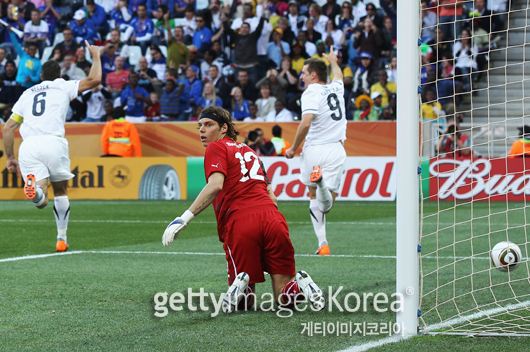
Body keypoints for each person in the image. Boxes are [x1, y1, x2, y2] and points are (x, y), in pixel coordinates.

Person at [161, 106, 325, 314]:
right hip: (273, 218)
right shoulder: (250, 151)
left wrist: (184, 218)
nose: (202, 130)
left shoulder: (215, 148)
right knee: (285, 298)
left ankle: (239, 289)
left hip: (241, 221)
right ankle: (300, 287)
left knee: (244, 304)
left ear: (223, 128)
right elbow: (271, 195)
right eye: (199, 126)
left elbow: (215, 185)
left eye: (208, 125)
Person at [3, 40, 102, 252]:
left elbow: (7, 129)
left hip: (28, 146)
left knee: (41, 201)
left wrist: (10, 158)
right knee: (60, 190)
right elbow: (95, 79)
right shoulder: (63, 85)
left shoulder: (27, 94)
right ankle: (61, 239)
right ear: (59, 75)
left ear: (40, 76)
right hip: (53, 142)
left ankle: (35, 191)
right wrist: (96, 56)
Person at [285, 47, 347, 256]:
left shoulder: (311, 92)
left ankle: (323, 243)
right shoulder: (336, 88)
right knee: (327, 203)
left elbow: (305, 123)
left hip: (314, 149)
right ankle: (322, 245)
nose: (301, 76)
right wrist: (334, 61)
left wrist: (294, 147)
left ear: (313, 75)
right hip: (335, 148)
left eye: (303, 73)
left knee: (314, 197)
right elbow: (338, 75)